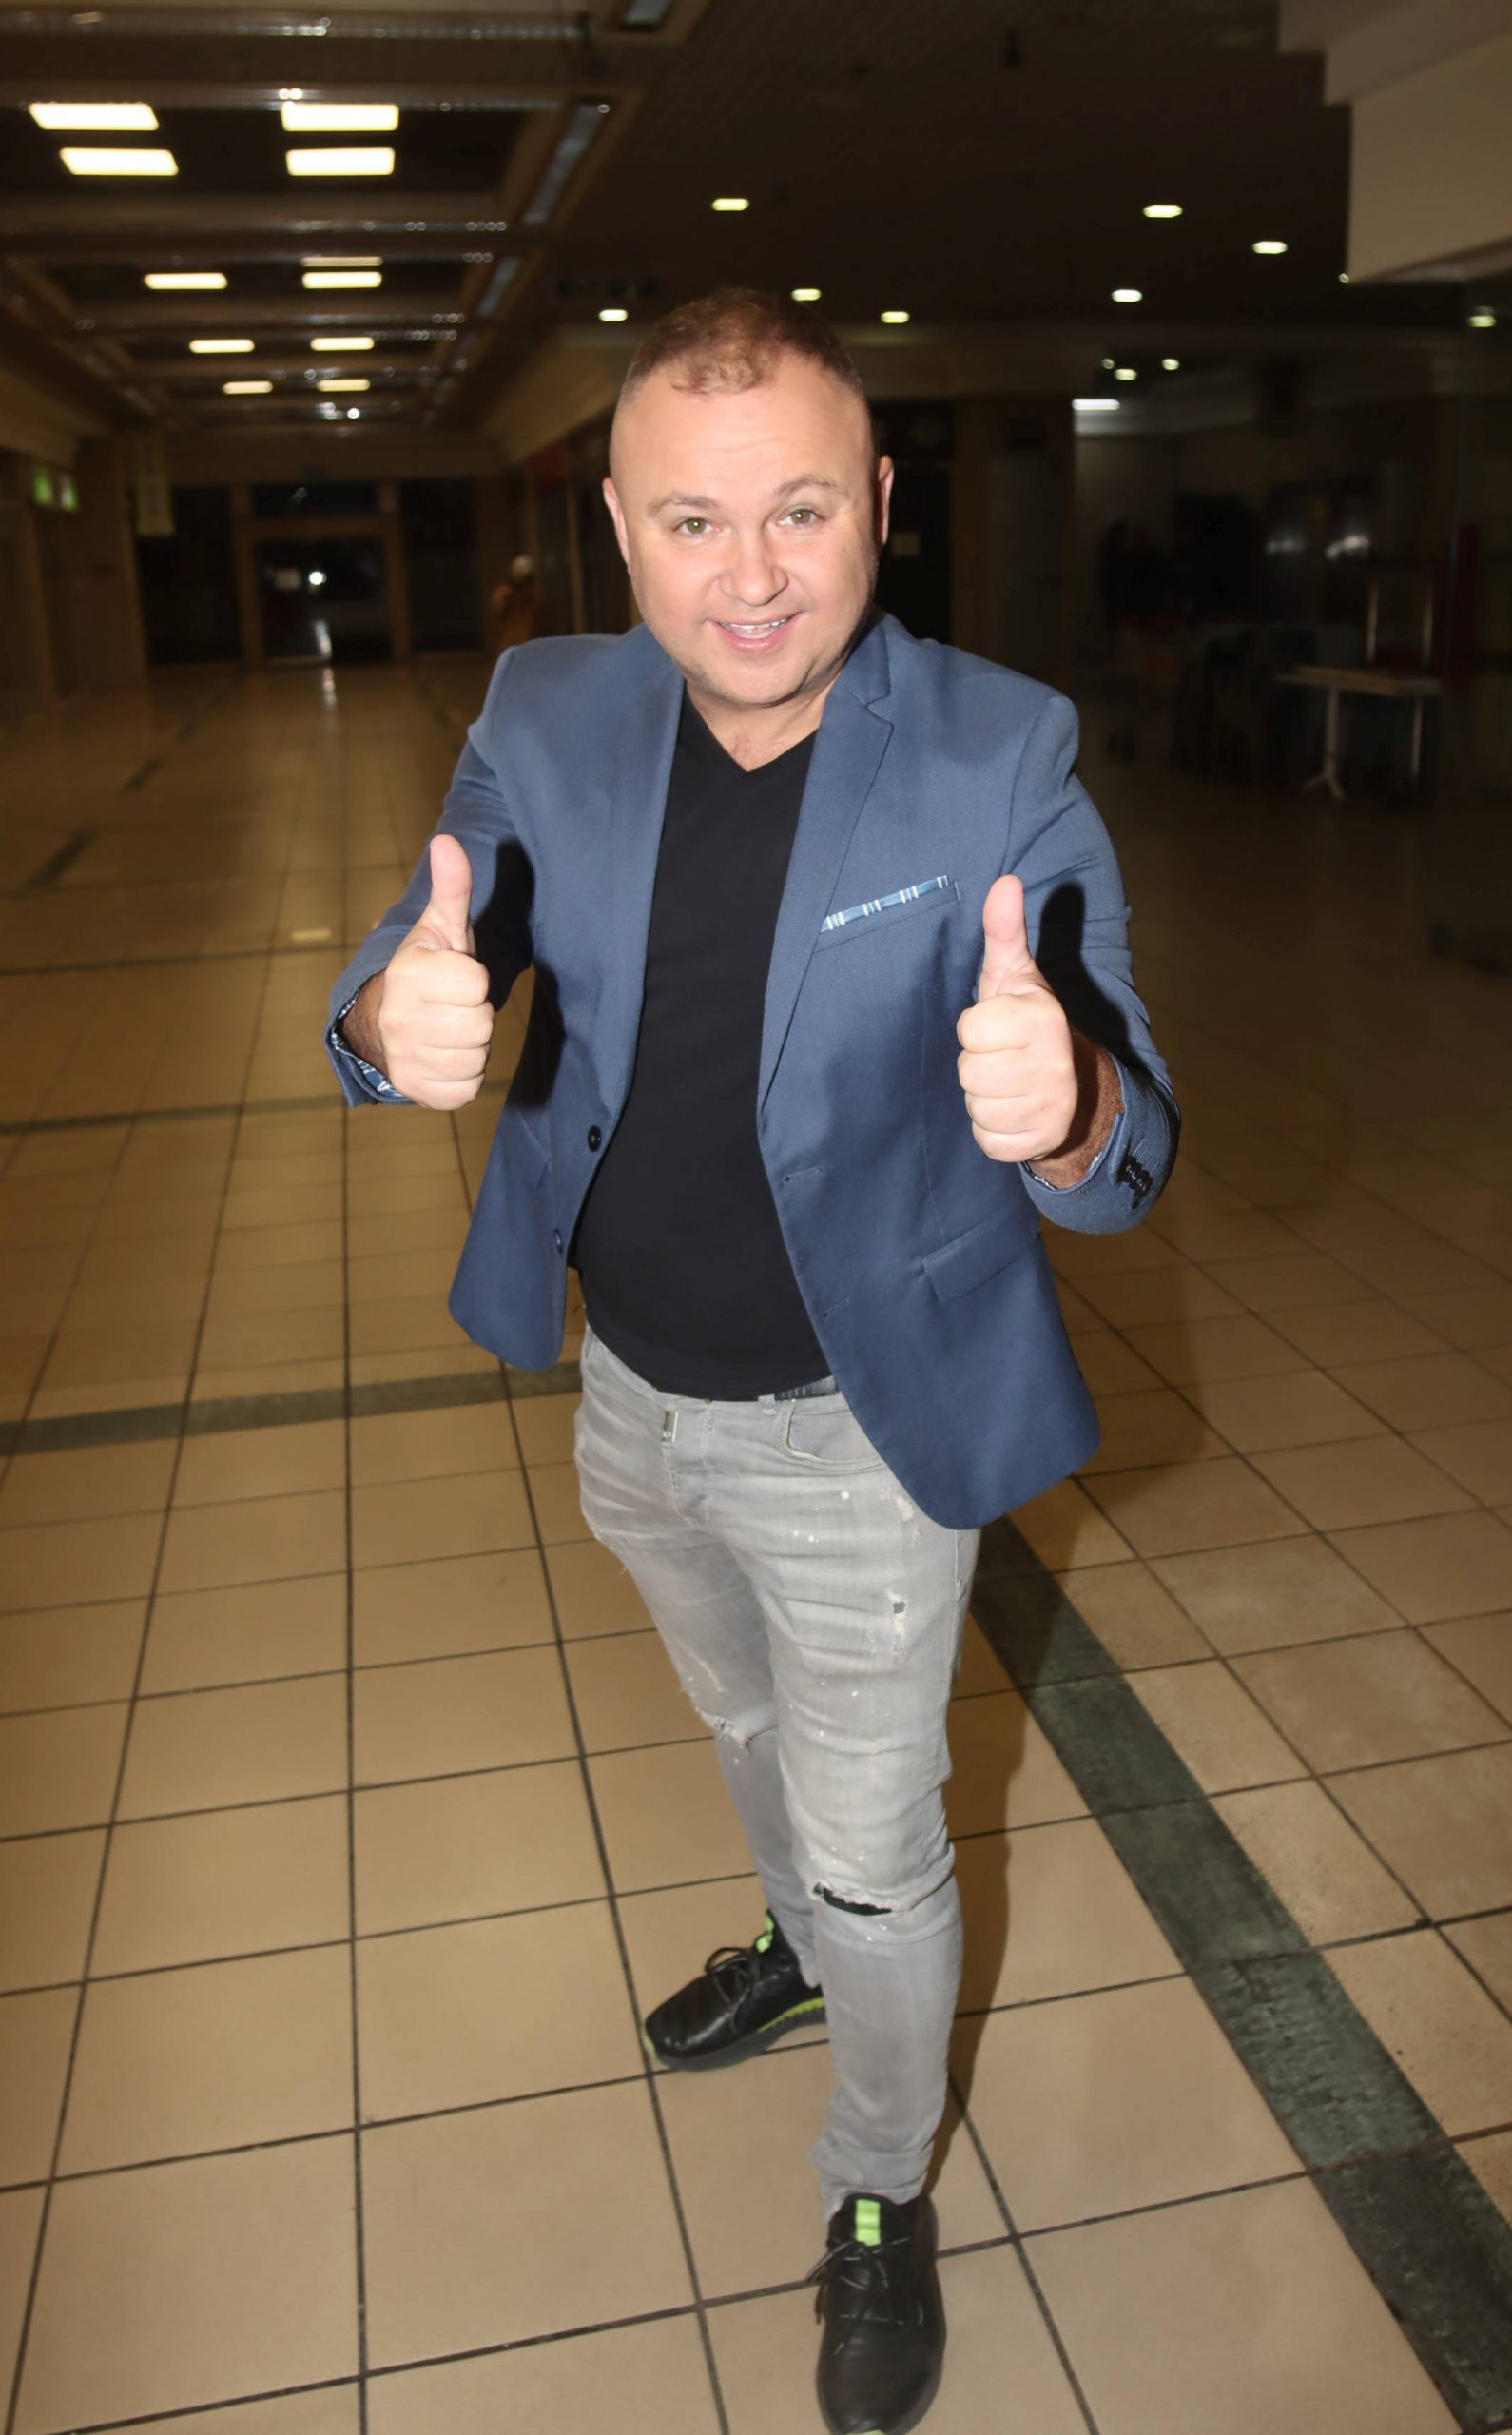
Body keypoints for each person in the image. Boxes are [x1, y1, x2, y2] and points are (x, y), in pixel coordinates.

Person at [326, 287, 1176, 2435]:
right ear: (619, 527)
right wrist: (387, 1021)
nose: (752, 575)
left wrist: (1064, 1101)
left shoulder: (993, 750)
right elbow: (427, 933)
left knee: (881, 1845)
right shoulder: (544, 710)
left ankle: (877, 2185)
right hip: (631, 1400)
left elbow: (1131, 1143)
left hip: (858, 1424)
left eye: (799, 508)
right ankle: (800, 1947)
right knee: (738, 1720)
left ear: (877, 501)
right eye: (692, 521)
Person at [488, 551, 544, 653]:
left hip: (531, 642)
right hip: (511, 643)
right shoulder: (503, 593)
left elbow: (540, 617)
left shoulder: (535, 594)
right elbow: (496, 615)